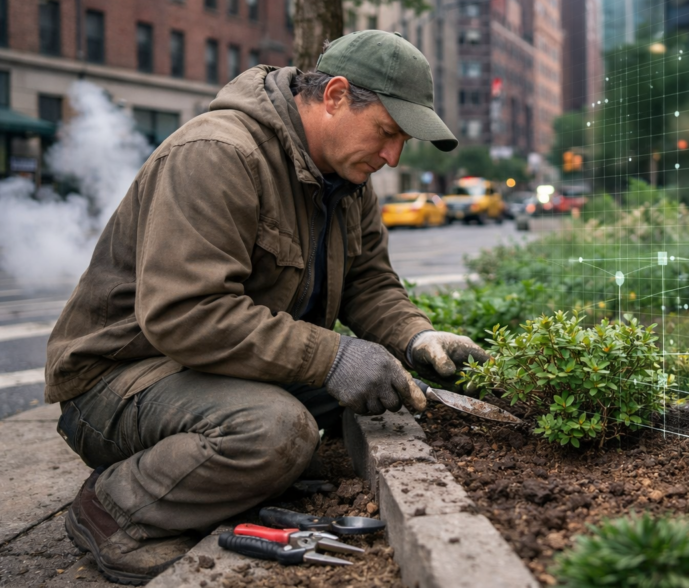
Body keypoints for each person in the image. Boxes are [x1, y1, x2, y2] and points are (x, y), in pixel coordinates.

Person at [44, 31, 489, 585]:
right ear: (334, 96)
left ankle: (227, 473)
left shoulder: (349, 180)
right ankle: (113, 511)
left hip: (212, 369)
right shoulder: (217, 154)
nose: (392, 155)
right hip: (119, 379)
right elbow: (187, 314)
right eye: (387, 132)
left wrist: (417, 338)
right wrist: (332, 356)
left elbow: (370, 283)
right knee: (276, 433)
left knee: (391, 394)